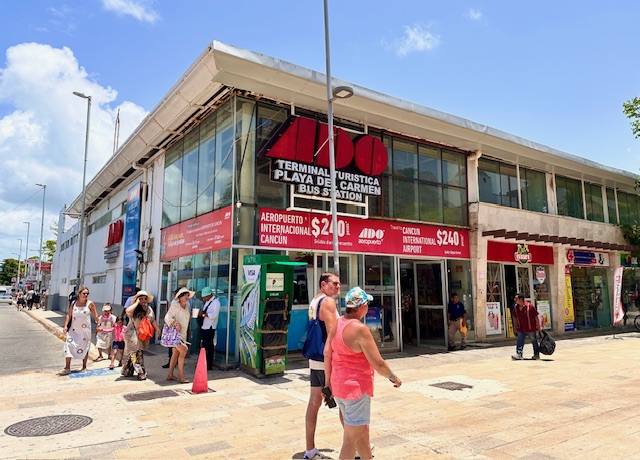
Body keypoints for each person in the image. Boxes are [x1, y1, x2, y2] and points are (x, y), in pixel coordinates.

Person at [324, 287, 402, 460]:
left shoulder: (338, 323)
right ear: (361, 307)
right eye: (367, 303)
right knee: (350, 441)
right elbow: (378, 363)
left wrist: (327, 383)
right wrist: (393, 377)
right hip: (355, 390)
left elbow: (327, 353)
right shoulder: (360, 329)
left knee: (363, 436)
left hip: (339, 387)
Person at [304, 272, 340, 460]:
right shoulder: (327, 302)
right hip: (327, 360)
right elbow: (333, 334)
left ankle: (310, 449)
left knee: (314, 402)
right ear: (323, 284)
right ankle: (357, 445)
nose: (337, 287)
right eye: (334, 284)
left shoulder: (315, 301)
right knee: (346, 403)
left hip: (315, 358)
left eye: (339, 284)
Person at [121, 290, 161, 380]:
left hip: (143, 334)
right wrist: (137, 303)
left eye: (145, 299)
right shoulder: (134, 308)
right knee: (137, 353)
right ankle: (140, 372)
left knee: (134, 352)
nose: (143, 300)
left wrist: (157, 328)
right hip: (132, 333)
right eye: (141, 298)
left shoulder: (149, 309)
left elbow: (152, 320)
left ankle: (127, 370)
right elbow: (128, 311)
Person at [61, 286, 100, 375]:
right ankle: (67, 367)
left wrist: (99, 324)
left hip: (85, 330)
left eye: (87, 293)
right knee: (68, 345)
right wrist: (65, 326)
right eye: (84, 293)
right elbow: (69, 315)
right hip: (73, 329)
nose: (86, 295)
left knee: (84, 346)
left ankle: (84, 366)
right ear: (79, 294)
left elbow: (95, 316)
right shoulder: (73, 303)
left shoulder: (90, 304)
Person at [165, 287, 194, 383]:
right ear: (180, 297)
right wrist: (175, 323)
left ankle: (170, 374)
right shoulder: (175, 306)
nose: (187, 297)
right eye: (185, 295)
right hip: (176, 335)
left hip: (183, 334)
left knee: (176, 353)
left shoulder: (186, 307)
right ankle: (181, 376)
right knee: (184, 350)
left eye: (187, 295)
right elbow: (167, 316)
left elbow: (185, 320)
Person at [511, 293, 542, 360]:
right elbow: (515, 318)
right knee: (520, 341)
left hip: (530, 328)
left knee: (534, 341)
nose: (514, 300)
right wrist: (515, 327)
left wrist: (539, 327)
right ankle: (519, 354)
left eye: (516, 299)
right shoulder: (516, 307)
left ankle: (536, 355)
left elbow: (536, 317)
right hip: (521, 328)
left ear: (521, 299)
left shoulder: (529, 306)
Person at [198, 287, 220, 370]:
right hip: (204, 326)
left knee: (209, 346)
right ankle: (203, 362)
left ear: (209, 295)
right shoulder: (207, 302)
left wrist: (203, 315)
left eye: (205, 297)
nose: (204, 298)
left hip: (210, 327)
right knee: (204, 346)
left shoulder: (216, 302)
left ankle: (209, 364)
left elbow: (213, 315)